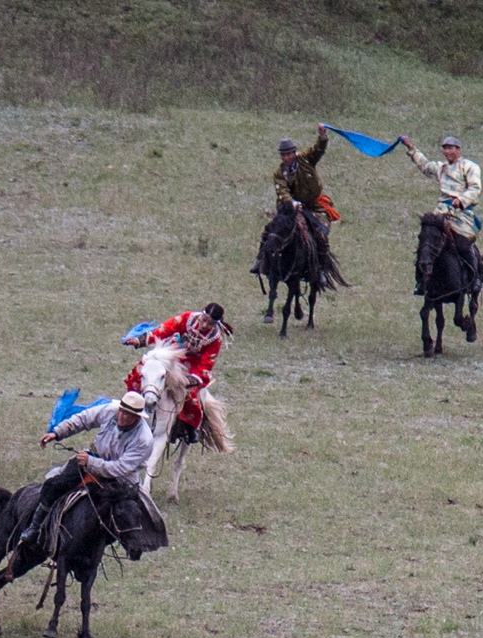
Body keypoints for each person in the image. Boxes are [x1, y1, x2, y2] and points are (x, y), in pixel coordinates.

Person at [19, 391, 153, 543]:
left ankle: (132, 543)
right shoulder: (110, 411)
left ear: (137, 417)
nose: (121, 416)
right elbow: (83, 419)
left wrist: (91, 462)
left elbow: (120, 468)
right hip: (92, 459)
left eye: (128, 414)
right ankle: (35, 526)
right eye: (121, 410)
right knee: (55, 485)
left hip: (122, 478)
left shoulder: (144, 439)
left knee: (128, 513)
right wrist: (57, 433)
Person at [123, 303, 231, 445]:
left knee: (192, 397)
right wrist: (139, 340)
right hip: (172, 353)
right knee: (140, 372)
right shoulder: (187, 318)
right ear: (201, 315)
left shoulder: (215, 339)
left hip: (191, 367)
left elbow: (206, 363)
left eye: (209, 324)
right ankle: (130, 404)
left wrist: (192, 379)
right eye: (203, 320)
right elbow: (164, 330)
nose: (204, 325)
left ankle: (187, 428)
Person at [251, 125, 339, 277]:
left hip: (315, 206)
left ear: (294, 152)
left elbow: (318, 149)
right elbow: (282, 191)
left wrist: (322, 136)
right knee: (270, 230)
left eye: (289, 154)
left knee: (320, 233)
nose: (286, 158)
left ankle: (321, 269)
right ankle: (260, 261)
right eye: (283, 155)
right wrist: (291, 203)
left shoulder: (305, 159)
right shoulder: (279, 173)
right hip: (290, 209)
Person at [399, 135, 483, 293]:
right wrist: (410, 147)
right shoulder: (441, 167)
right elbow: (424, 165)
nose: (447, 151)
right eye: (444, 148)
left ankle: (475, 278)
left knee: (463, 244)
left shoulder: (470, 167)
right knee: (426, 241)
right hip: (441, 212)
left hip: (461, 214)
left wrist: (461, 199)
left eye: (450, 148)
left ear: (458, 150)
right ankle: (421, 281)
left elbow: (474, 188)